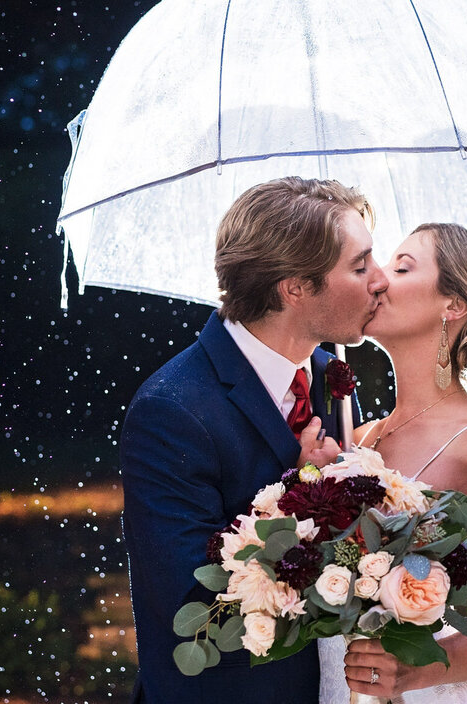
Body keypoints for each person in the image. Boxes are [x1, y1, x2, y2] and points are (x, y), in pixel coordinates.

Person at [120, 177, 389, 703]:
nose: (380, 280)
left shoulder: (331, 377)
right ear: (295, 287)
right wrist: (303, 490)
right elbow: (192, 603)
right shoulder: (170, 410)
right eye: (359, 267)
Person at [319, 223, 467, 704]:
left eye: (401, 267)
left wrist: (410, 673)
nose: (377, 278)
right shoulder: (360, 435)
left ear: (453, 305)